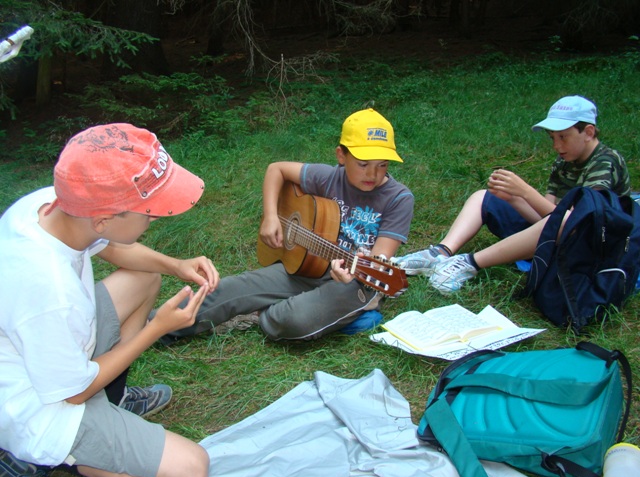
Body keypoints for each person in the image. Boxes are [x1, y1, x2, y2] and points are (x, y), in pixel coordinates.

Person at [0, 124, 220, 477]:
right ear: (103, 220)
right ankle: (44, 453)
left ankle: (111, 401)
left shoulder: (55, 204)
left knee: (145, 277)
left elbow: (113, 246)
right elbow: (74, 393)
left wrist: (176, 265)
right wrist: (156, 328)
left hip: (53, 349)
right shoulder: (50, 290)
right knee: (192, 468)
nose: (154, 217)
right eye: (148, 211)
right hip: (39, 404)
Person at [160, 108, 414, 344]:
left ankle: (265, 313)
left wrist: (355, 271)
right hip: (306, 266)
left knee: (293, 320)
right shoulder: (328, 177)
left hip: (355, 280)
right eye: (363, 164)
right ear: (341, 155)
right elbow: (276, 169)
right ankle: (155, 327)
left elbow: (379, 260)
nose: (372, 174)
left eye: (382, 164)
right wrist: (271, 216)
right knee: (229, 289)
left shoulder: (398, 198)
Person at [393, 95, 631, 293]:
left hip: (595, 243)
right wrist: (514, 198)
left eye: (563, 137)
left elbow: (580, 222)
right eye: (552, 138)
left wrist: (525, 191)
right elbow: (545, 217)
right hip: (560, 233)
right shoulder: (564, 162)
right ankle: (440, 253)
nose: (556, 146)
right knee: (484, 197)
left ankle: (468, 263)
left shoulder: (605, 162)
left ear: (588, 132)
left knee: (564, 220)